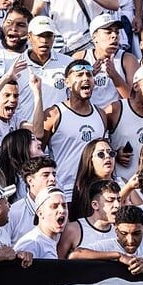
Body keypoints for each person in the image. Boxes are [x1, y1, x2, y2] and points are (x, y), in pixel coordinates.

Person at [42, 60, 107, 201]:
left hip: (95, 192)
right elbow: (38, 152)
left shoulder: (101, 114)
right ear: (67, 82)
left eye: (89, 75)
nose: (85, 78)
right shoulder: (54, 114)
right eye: (79, 75)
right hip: (65, 192)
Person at [71, 13, 138, 108]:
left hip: (117, 114)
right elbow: (71, 96)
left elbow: (135, 101)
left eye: (117, 32)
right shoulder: (80, 57)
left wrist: (115, 76)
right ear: (94, 37)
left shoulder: (128, 59)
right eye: (108, 32)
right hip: (88, 113)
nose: (114, 36)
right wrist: (89, 76)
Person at [70, 138, 137, 220]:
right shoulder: (85, 187)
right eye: (101, 154)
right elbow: (103, 214)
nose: (107, 156)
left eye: (111, 153)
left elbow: (142, 208)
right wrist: (128, 188)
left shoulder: (122, 181)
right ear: (90, 160)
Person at [57, 180, 121, 258]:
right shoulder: (73, 229)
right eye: (110, 200)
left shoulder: (120, 232)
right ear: (95, 205)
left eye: (119, 200)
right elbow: (59, 260)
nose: (117, 205)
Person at [7, 156, 57, 244]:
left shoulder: (60, 209)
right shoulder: (14, 212)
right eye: (45, 175)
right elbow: (3, 245)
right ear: (30, 180)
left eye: (54, 175)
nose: (52, 179)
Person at [14, 186, 68, 258]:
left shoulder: (54, 240)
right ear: (40, 213)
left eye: (64, 206)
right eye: (54, 206)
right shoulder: (31, 243)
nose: (62, 210)